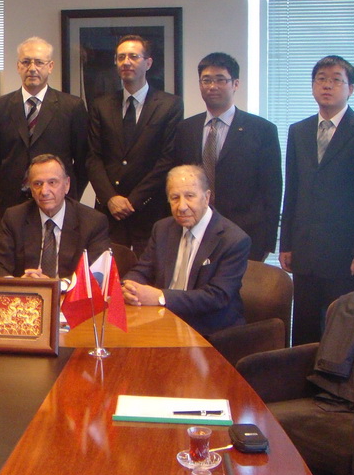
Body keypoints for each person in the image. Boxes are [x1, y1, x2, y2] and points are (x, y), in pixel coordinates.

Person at [280, 55, 354, 345]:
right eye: (321, 79)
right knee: (304, 332)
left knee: (344, 334)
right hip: (305, 252)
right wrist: (286, 243)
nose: (327, 85)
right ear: (312, 86)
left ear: (350, 89)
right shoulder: (298, 130)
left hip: (348, 256)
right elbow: (292, 190)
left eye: (336, 80)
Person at [173, 53, 281, 261]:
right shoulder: (186, 129)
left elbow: (272, 189)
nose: (212, 86)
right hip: (195, 230)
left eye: (220, 79)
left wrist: (267, 241)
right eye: (206, 80)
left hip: (245, 234)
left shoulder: (262, 129)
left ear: (235, 84)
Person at [122, 165, 249, 337]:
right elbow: (142, 270)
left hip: (209, 331)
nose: (181, 206)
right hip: (162, 321)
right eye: (175, 198)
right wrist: (129, 287)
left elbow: (217, 296)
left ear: (206, 197)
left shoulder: (233, 239)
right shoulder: (162, 228)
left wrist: (160, 297)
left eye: (190, 196)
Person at [87, 35, 183, 256]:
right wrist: (110, 198)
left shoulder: (170, 105)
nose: (126, 62)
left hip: (150, 210)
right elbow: (93, 157)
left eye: (133, 56)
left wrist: (134, 200)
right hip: (109, 211)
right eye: (121, 57)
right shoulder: (101, 105)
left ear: (148, 63)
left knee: (149, 272)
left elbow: (167, 159)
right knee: (107, 272)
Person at [0, 37, 88, 217]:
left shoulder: (72, 107)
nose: (32, 68)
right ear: (18, 66)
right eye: (26, 62)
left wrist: (69, 192)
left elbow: (83, 159)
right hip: (13, 201)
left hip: (58, 201)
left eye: (39, 62)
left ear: (50, 66)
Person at [0, 154, 109, 279]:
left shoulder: (93, 222)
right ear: (30, 188)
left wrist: (55, 285)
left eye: (52, 182)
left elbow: (96, 275)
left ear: (67, 185)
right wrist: (19, 284)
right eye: (37, 184)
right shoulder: (14, 217)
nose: (44, 191)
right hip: (27, 290)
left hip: (68, 291)